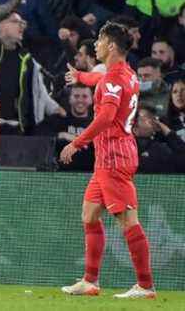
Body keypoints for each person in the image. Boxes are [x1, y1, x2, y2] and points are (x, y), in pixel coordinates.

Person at [60, 21, 156, 299]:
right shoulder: (125, 74)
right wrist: (80, 75)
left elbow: (105, 117)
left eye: (99, 42)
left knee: (128, 221)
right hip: (110, 156)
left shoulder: (114, 78)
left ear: (112, 46)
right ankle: (90, 281)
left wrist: (77, 143)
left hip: (114, 156)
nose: (96, 47)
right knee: (89, 215)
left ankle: (145, 285)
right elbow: (99, 81)